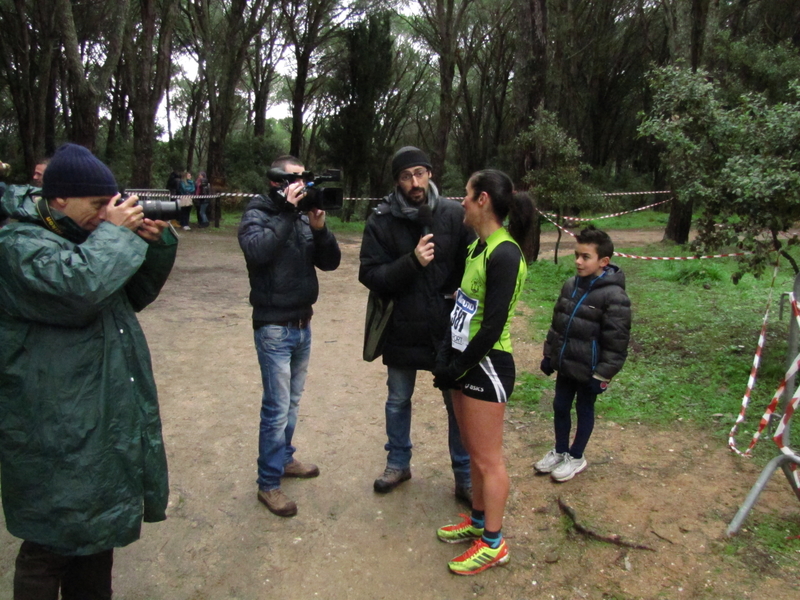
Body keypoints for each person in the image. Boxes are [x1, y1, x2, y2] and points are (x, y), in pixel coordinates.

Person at [0, 143, 177, 599]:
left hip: (96, 416)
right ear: (58, 198)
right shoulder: (16, 244)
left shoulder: (83, 238)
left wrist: (151, 246)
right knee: (50, 542)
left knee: (99, 535)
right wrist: (116, 236)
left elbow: (127, 296)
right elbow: (80, 289)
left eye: (109, 204)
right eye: (97, 205)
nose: (105, 214)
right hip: (50, 425)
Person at [359, 146, 474, 503]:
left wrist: (462, 291)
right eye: (407, 176)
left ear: (430, 174)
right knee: (398, 399)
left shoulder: (455, 215)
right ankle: (398, 463)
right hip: (402, 326)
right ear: (397, 180)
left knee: (457, 406)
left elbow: (473, 263)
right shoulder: (381, 218)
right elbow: (370, 274)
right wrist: (411, 262)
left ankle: (464, 476)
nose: (415, 182)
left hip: (445, 327)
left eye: (420, 173)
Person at [433, 169, 533, 576]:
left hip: (488, 364)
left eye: (467, 194)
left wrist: (458, 366)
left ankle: (494, 543)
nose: (462, 201)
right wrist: (446, 355)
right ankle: (477, 522)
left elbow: (492, 326)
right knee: (473, 451)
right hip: (466, 358)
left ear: (484, 199)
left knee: (489, 459)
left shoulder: (505, 253)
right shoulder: (479, 247)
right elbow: (465, 306)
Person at [238, 154, 341, 517]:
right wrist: (285, 212)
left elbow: (330, 263)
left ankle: (284, 458)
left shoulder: (301, 216)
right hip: (273, 328)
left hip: (302, 324)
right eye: (295, 179)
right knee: (276, 407)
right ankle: (268, 484)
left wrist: (319, 228)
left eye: (305, 180)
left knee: (292, 403)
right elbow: (258, 252)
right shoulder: (258, 214)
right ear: (275, 182)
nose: (303, 186)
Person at [535, 225, 631, 481]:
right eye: (576, 254)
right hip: (567, 364)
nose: (578, 261)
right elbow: (558, 324)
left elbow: (617, 342)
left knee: (583, 408)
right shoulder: (570, 285)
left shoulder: (615, 296)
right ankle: (560, 450)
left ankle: (576, 456)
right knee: (560, 406)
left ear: (604, 261)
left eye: (585, 256)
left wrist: (602, 374)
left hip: (590, 371)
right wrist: (549, 355)